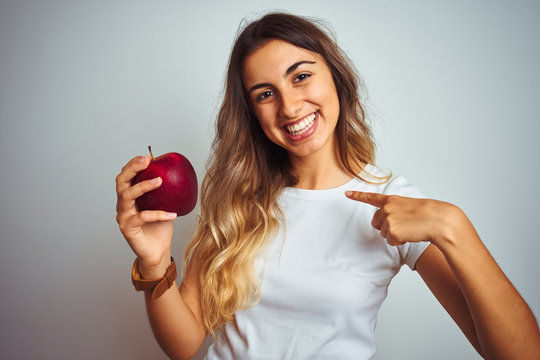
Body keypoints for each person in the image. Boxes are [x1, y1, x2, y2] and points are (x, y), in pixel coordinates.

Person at [115, 12, 540, 360]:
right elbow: (185, 345)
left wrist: (454, 225)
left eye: (300, 77)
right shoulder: (238, 200)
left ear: (334, 76)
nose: (290, 106)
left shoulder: (393, 203)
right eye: (265, 94)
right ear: (252, 114)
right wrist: (154, 263)